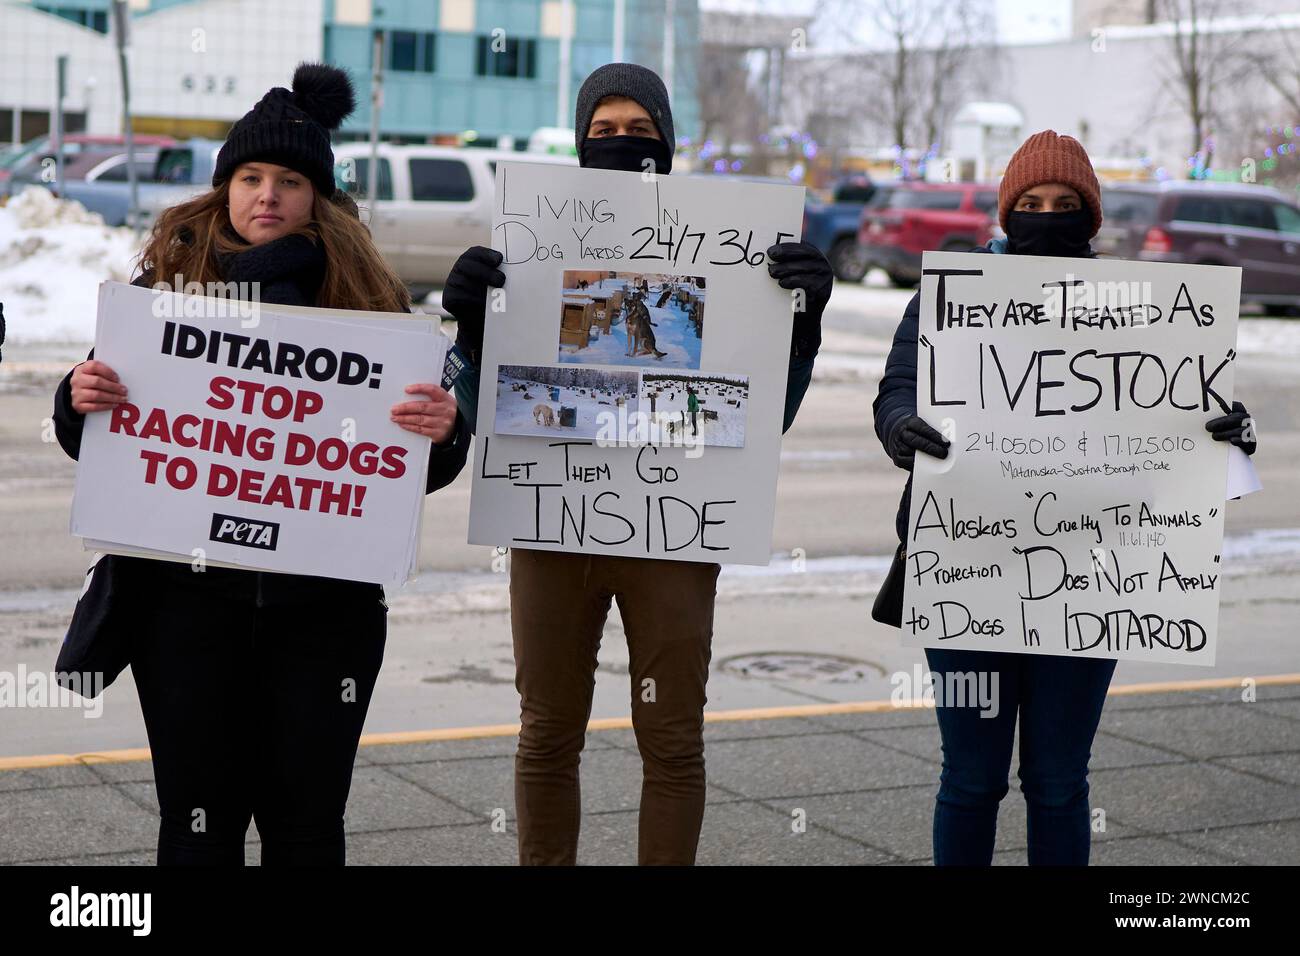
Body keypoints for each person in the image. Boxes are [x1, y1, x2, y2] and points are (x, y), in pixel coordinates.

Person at [52, 63, 470, 866]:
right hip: (181, 612)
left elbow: (417, 471)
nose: (267, 195)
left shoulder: (368, 303)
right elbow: (94, 444)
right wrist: (79, 398)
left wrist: (442, 432)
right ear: (225, 188)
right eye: (250, 176)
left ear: (318, 196)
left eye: (288, 179)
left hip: (323, 620)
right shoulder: (164, 289)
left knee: (306, 827)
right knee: (198, 825)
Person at [442, 62, 833, 865]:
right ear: (581, 143)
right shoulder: (535, 249)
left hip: (674, 528)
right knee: (546, 734)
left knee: (672, 741)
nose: (622, 143)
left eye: (641, 131)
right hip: (553, 524)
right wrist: (474, 331)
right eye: (604, 130)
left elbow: (767, 416)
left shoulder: (727, 255)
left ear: (669, 144)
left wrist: (801, 324)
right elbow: (479, 411)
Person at [872, 130, 1259, 866]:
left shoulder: (1146, 310)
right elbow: (896, 388)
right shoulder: (950, 299)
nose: (1047, 217)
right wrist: (900, 426)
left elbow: (1184, 428)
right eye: (1031, 203)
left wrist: (1228, 435)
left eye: (1065, 204)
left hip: (1092, 575)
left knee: (1057, 781)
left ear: (1091, 218)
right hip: (969, 568)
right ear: (1005, 213)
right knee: (970, 777)